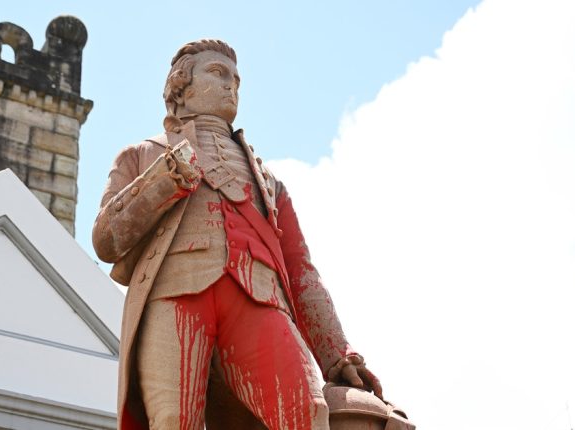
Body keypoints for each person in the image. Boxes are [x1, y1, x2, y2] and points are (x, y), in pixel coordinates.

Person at [93, 39, 382, 430]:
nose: (232, 86)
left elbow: (302, 272)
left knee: (307, 411)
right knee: (175, 422)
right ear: (181, 86)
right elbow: (105, 240)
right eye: (218, 73)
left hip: (259, 298)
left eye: (237, 80)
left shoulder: (269, 182)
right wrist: (164, 180)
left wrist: (337, 353)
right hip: (174, 297)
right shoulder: (142, 155)